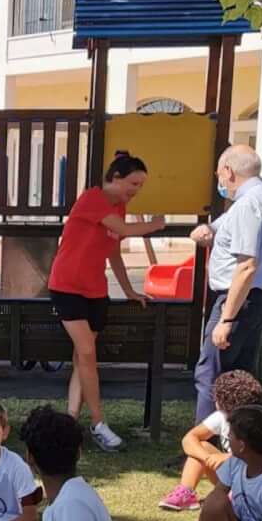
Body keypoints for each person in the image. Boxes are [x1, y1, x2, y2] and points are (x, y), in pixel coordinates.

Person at [46, 151, 164, 453]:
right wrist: (155, 225)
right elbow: (124, 230)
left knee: (82, 357)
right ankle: (98, 423)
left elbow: (114, 252)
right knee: (87, 352)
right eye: (133, 183)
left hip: (95, 290)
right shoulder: (92, 198)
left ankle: (70, 421)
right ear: (115, 178)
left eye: (141, 186)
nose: (136, 191)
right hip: (67, 286)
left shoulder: (119, 207)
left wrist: (129, 290)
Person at [189, 145, 262, 422]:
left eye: (219, 174)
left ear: (228, 171)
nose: (220, 181)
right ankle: (241, 438)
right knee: (239, 378)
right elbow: (225, 225)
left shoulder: (247, 205)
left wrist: (226, 319)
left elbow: (246, 266)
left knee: (211, 375)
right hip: (256, 299)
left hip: (238, 300)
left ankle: (204, 443)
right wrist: (210, 229)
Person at [159, 369, 262, 513]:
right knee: (201, 446)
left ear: (219, 402)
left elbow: (260, 458)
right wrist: (207, 458)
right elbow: (189, 438)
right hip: (234, 477)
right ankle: (186, 492)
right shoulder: (221, 417)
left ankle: (243, 498)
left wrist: (227, 458)